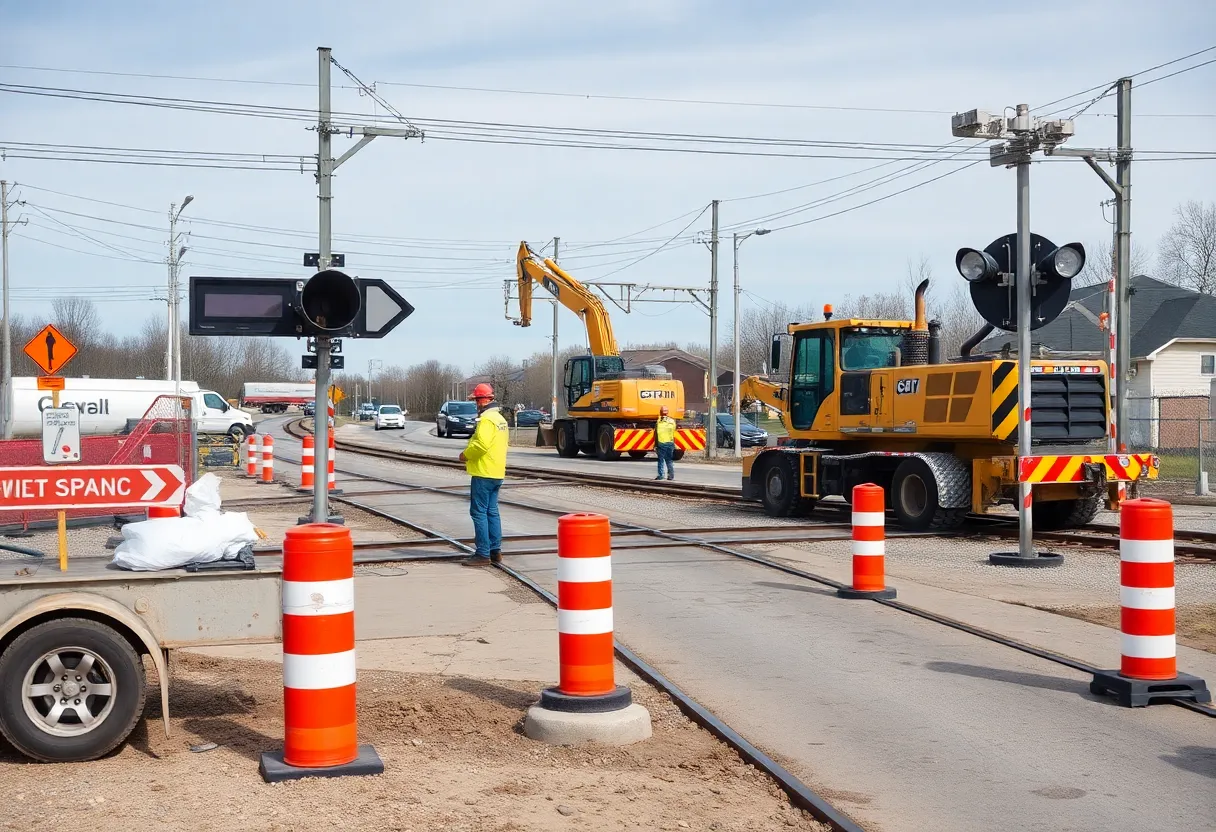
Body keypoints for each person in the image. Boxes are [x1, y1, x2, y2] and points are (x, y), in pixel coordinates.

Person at [458, 383, 508, 566]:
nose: (476, 404)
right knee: (492, 511)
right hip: (497, 472)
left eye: (476, 400)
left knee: (478, 512)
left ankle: (482, 554)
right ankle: (495, 551)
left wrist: (465, 455)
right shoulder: (500, 419)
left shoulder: (486, 420)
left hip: (483, 472)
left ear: (482, 400)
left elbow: (481, 445)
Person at [654, 405, 676, 481]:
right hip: (670, 443)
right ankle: (671, 476)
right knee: (669, 460)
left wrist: (655, 445)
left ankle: (661, 475)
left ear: (660, 412)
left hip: (661, 443)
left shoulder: (659, 422)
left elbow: (656, 434)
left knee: (661, 460)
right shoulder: (672, 421)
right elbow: (674, 431)